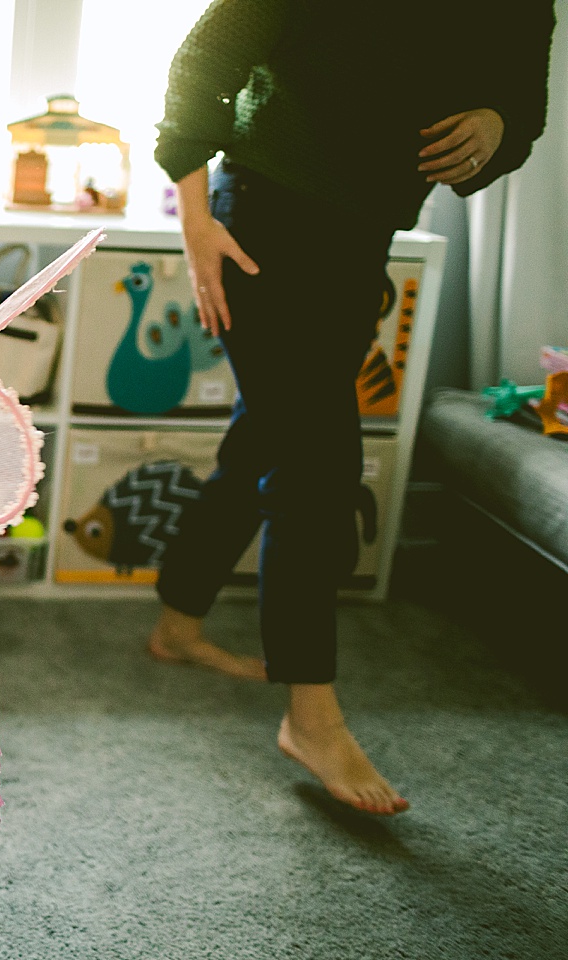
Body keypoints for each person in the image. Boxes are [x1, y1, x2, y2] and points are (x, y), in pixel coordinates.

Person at [149, 0, 555, 815]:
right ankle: (313, 716)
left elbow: (525, 108)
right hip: (260, 215)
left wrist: (495, 124)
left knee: (268, 438)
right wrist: (195, 219)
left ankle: (177, 623)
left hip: (362, 234)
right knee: (319, 467)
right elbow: (203, 63)